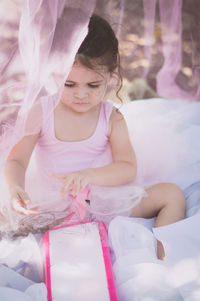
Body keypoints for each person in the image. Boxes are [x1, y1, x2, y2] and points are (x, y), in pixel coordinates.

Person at [4, 14, 185, 260]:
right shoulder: (42, 112)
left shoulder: (111, 118)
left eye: (93, 85)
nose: (81, 94)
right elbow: (17, 161)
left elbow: (127, 168)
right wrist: (16, 188)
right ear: (54, 73)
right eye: (69, 85)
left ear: (110, 78)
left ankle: (164, 259)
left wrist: (87, 176)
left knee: (171, 194)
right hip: (49, 203)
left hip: (101, 201)